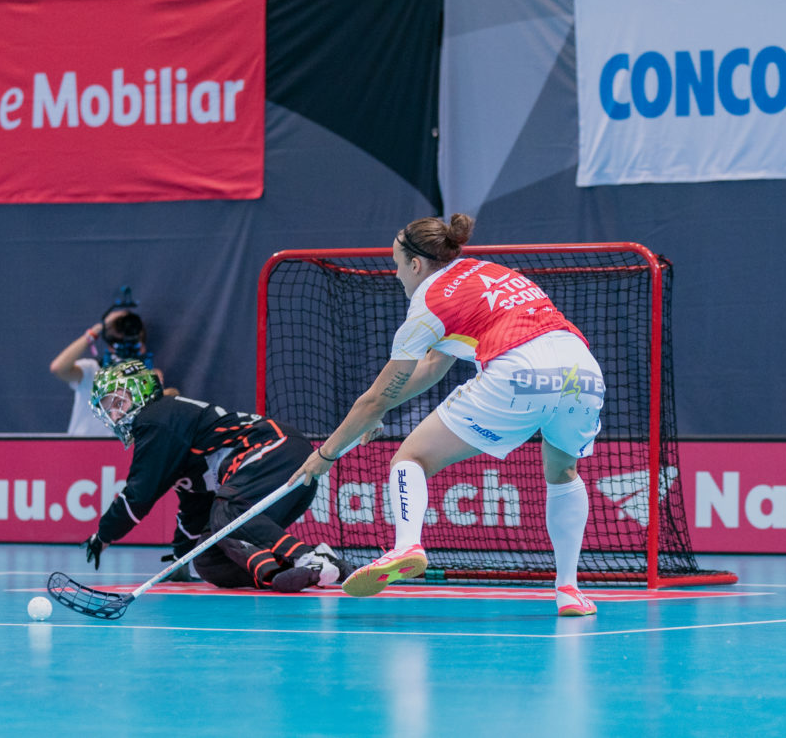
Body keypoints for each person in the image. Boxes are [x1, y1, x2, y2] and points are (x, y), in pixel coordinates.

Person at [290, 214, 605, 617]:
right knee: (562, 472)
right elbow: (433, 366)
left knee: (411, 458)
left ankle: (406, 546)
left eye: (397, 264)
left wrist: (326, 454)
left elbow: (373, 400)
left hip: (517, 371)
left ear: (415, 264)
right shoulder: (487, 271)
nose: (396, 274)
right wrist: (382, 409)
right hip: (582, 370)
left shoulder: (427, 303)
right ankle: (569, 591)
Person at [81, 359, 356, 592]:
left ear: (139, 390)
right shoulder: (172, 441)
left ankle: (308, 556)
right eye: (108, 409)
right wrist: (180, 558)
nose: (113, 415)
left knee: (227, 511)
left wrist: (104, 534)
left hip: (277, 449)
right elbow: (193, 510)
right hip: (277, 470)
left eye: (116, 402)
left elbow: (139, 494)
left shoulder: (155, 418)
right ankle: (285, 571)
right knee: (208, 558)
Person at [49, 299, 164, 436]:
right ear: (109, 344)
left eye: (132, 341)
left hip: (117, 448)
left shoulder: (147, 379)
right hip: (81, 445)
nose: (124, 345)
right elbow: (59, 368)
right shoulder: (90, 370)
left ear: (142, 346)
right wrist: (98, 329)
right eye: (117, 341)